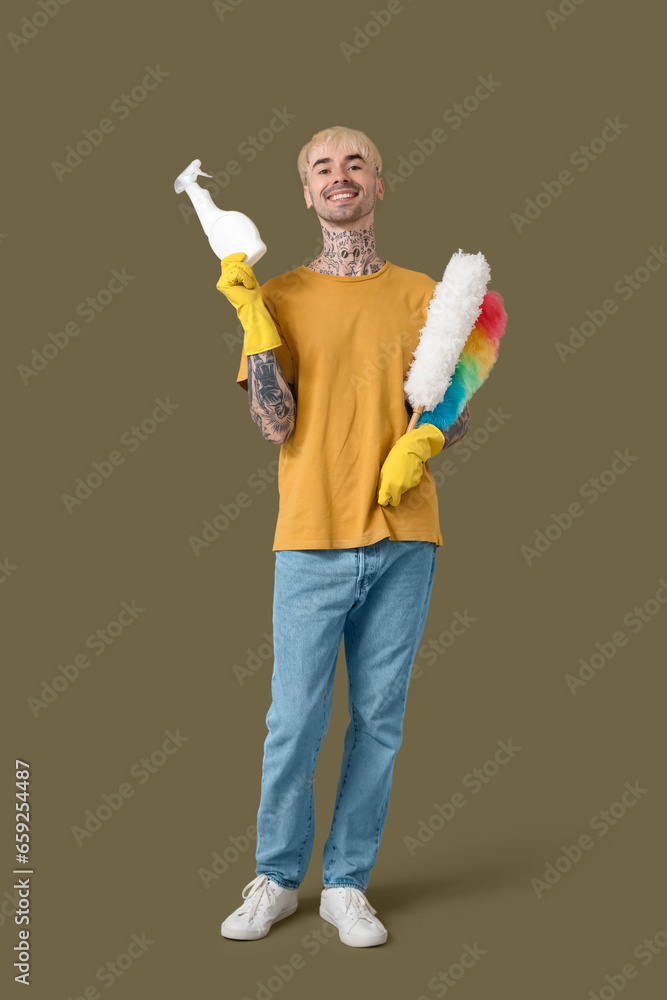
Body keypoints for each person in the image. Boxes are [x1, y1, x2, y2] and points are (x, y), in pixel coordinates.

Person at [217, 126, 472, 948]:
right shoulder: (282, 295)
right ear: (305, 192)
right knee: (293, 719)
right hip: (310, 534)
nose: (339, 175)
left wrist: (427, 437)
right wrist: (256, 322)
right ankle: (276, 877)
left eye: (355, 162)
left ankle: (348, 882)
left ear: (379, 185)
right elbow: (273, 423)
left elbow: (451, 406)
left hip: (404, 537)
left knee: (380, 718)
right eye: (321, 166)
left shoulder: (428, 295)